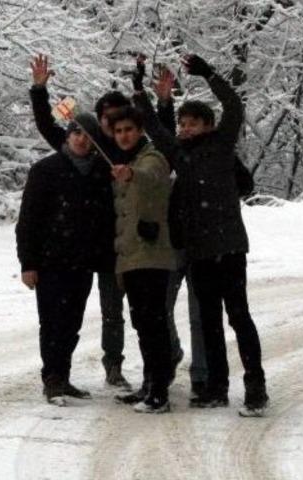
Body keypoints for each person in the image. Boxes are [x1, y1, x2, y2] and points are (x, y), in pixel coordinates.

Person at [28, 54, 184, 391]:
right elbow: (51, 127)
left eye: (121, 122)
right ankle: (113, 365)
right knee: (112, 312)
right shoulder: (90, 153)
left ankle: (164, 365)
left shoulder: (128, 154)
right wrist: (40, 90)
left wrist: (163, 101)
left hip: (138, 247)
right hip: (103, 250)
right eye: (109, 121)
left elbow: (165, 140)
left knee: (153, 313)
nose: (116, 129)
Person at [132, 54, 268, 417]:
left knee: (239, 317)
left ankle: (255, 386)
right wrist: (140, 87)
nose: (185, 128)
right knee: (209, 321)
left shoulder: (223, 145)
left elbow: (233, 105)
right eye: (183, 123)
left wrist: (208, 73)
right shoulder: (178, 155)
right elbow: (152, 128)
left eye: (192, 123)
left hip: (229, 247)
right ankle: (216, 388)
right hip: (198, 251)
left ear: (208, 126)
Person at [15, 114, 116, 406]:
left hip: (83, 261)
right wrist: (28, 263)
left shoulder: (100, 171)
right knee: (52, 323)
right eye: (76, 133)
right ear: (68, 136)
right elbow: (29, 221)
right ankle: (52, 380)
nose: (81, 140)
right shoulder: (46, 170)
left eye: (87, 135)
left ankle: (64, 375)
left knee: (72, 322)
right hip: (50, 261)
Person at [107, 106, 177, 414]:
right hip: (131, 257)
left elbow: (151, 176)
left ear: (140, 131)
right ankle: (150, 384)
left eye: (129, 130)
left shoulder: (152, 158)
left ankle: (159, 392)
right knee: (142, 324)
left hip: (151, 256)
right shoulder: (128, 160)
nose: (123, 136)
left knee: (153, 324)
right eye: (118, 131)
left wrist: (131, 174)